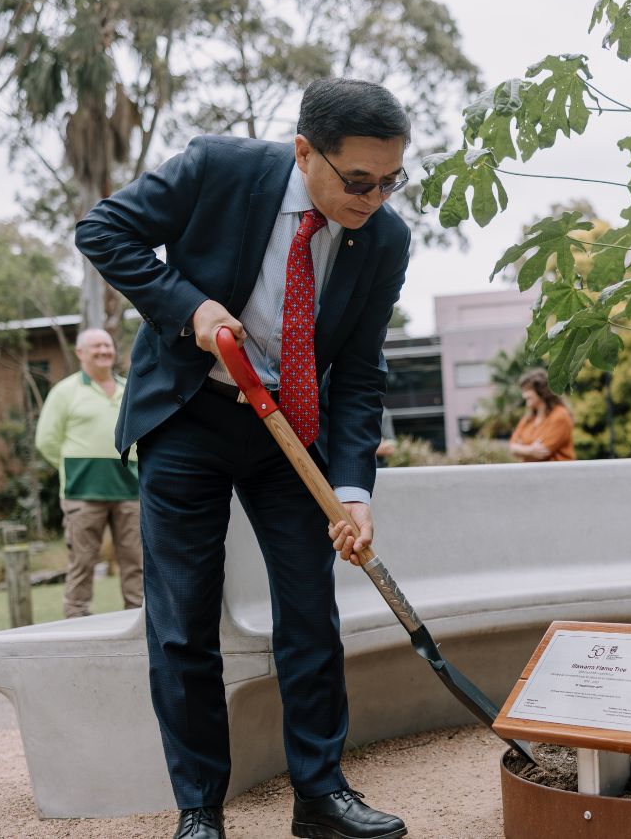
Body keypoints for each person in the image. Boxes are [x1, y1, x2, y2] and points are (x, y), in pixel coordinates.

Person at [76, 78, 411, 839]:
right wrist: (186, 305)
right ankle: (201, 810)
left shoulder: (384, 239)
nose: (375, 198)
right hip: (188, 417)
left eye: (391, 180)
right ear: (304, 153)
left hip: (291, 436)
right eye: (358, 180)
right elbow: (103, 231)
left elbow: (359, 371)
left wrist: (354, 487)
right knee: (183, 619)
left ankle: (320, 796)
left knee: (310, 613)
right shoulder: (218, 168)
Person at [34, 328, 142, 618]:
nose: (103, 351)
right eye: (96, 346)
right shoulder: (65, 392)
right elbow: (46, 440)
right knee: (82, 562)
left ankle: (141, 619)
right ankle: (76, 619)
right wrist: (75, 466)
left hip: (130, 490)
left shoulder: (129, 388)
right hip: (82, 492)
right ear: (80, 353)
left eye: (107, 345)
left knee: (137, 562)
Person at [507, 369, 575, 462]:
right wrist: (530, 450)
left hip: (558, 474)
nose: (524, 395)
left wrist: (521, 448)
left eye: (527, 390)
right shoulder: (528, 418)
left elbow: (542, 453)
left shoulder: (560, 415)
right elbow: (512, 447)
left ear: (541, 391)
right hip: (532, 474)